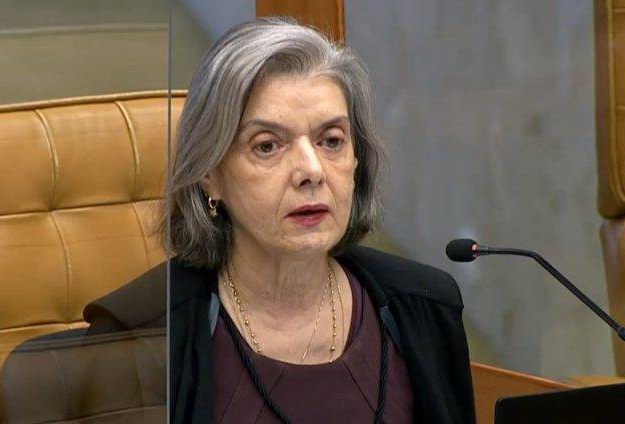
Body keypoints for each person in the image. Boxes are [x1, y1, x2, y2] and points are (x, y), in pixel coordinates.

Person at [86, 16, 475, 424]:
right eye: (268, 146)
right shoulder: (141, 336)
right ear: (210, 174)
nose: (312, 170)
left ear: (357, 159)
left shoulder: (424, 307)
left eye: (331, 141)